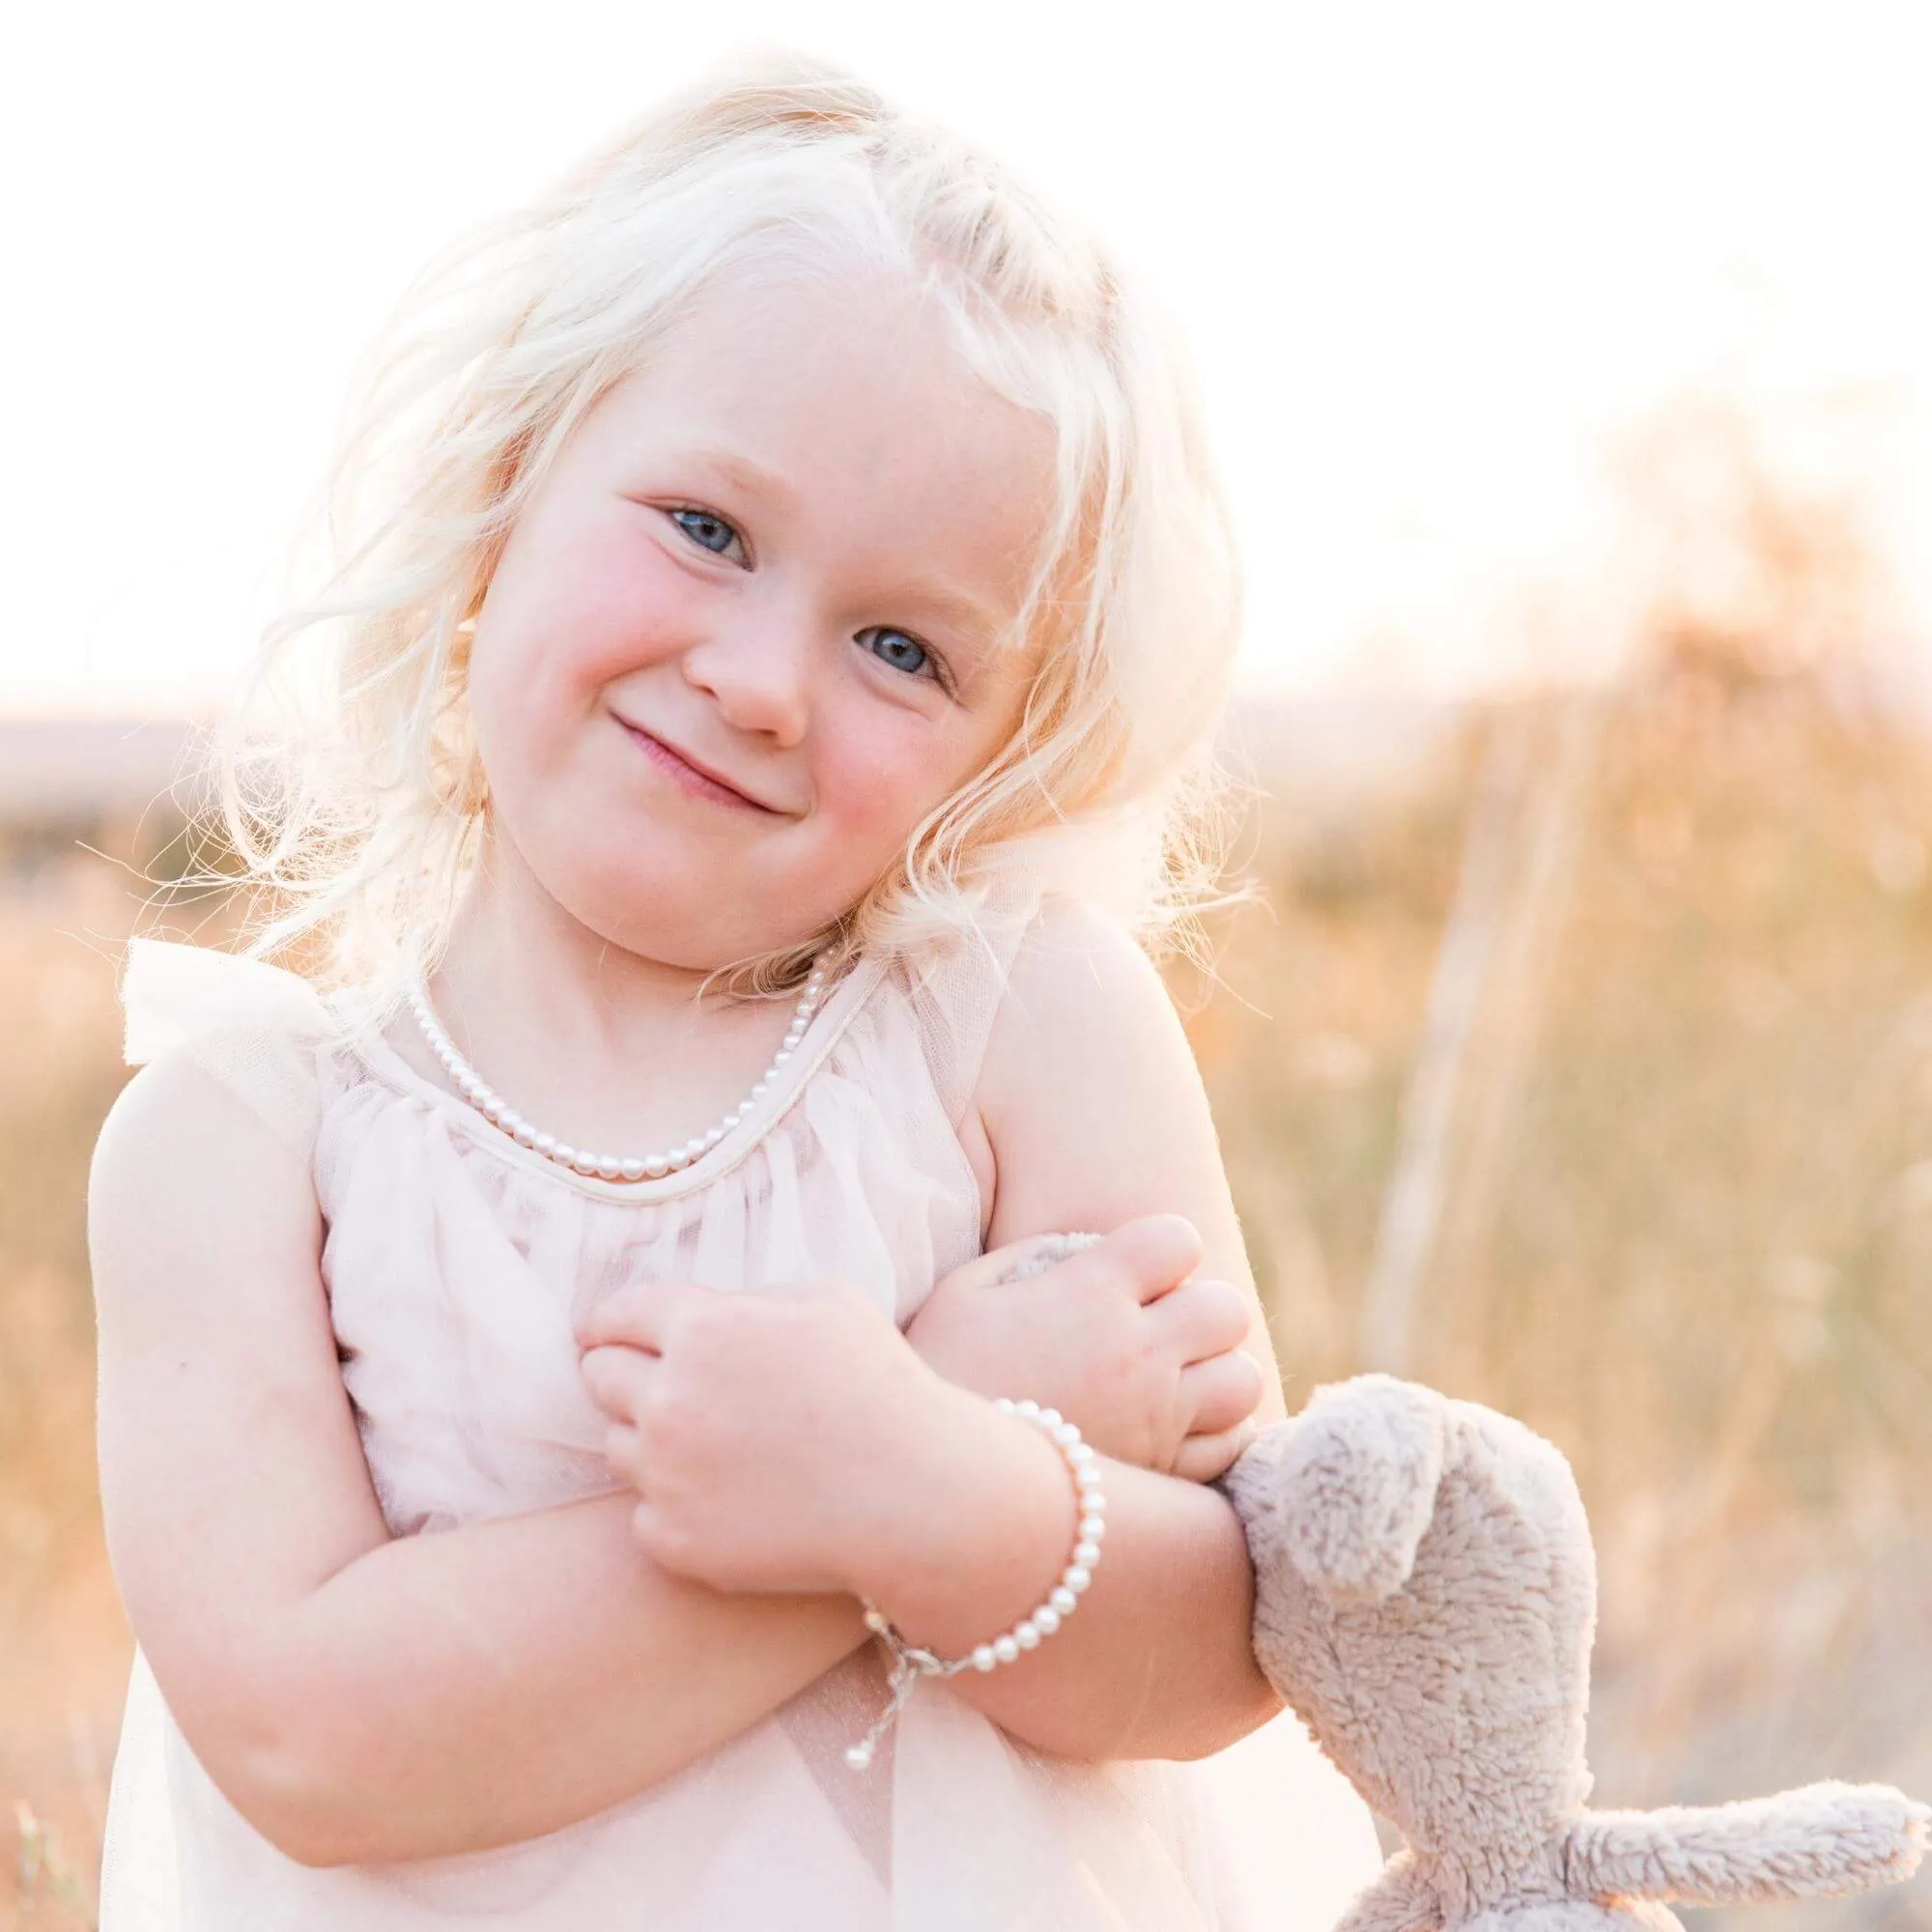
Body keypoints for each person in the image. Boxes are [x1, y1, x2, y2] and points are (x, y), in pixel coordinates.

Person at [87, 49, 1384, 1929]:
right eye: (705, 528)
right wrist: (902, 1451)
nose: (766, 678)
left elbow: (1215, 1664)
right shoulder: (237, 1138)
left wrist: (928, 1485)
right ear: (500, 495)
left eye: (900, 645)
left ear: (995, 746)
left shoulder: (1019, 1031)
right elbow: (311, 1741)